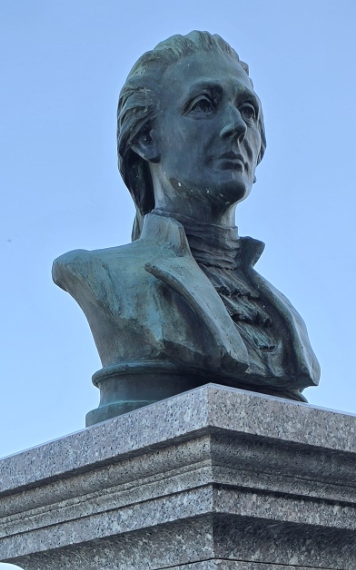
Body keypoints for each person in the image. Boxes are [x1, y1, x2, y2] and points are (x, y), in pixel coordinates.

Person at [54, 31, 320, 426]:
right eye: (204, 105)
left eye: (248, 110)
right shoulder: (102, 276)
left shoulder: (284, 313)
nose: (237, 125)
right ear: (146, 138)